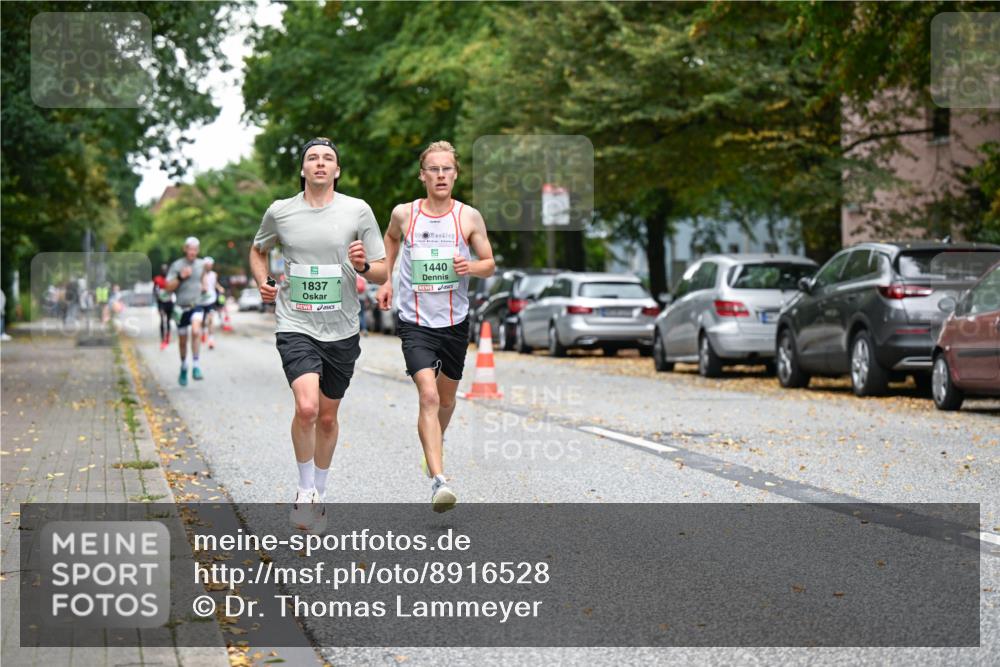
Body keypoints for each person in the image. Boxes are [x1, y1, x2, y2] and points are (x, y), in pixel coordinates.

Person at [249, 137, 387, 531]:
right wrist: (264, 282)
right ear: (303, 169)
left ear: (337, 170)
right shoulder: (281, 212)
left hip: (342, 327)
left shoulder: (357, 211)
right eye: (313, 158)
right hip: (295, 322)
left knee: (327, 418)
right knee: (306, 408)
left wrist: (363, 266)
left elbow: (380, 270)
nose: (321, 164)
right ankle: (304, 490)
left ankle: (321, 492)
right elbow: (258, 250)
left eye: (328, 159)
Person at [376, 140, 496, 513]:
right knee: (427, 395)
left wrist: (470, 267)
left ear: (455, 174)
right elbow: (390, 240)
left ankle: (433, 446)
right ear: (423, 175)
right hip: (414, 321)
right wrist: (387, 278)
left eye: (447, 169)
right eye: (434, 169)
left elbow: (489, 263)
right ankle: (440, 482)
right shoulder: (404, 214)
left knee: (445, 399)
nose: (441, 175)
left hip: (455, 321)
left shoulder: (468, 217)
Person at [165, 237, 207, 386]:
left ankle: (195, 366)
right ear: (185, 249)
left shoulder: (202, 264)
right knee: (182, 341)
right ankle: (184, 366)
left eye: (195, 250)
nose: (193, 252)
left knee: (196, 331)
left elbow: (203, 279)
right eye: (190, 249)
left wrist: (205, 286)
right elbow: (168, 287)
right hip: (181, 307)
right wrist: (180, 277)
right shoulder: (177, 265)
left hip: (197, 304)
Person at [199, 256, 221, 349]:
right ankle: (203, 332)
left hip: (211, 299)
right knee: (203, 321)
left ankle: (211, 339)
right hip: (201, 300)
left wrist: (220, 288)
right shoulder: (200, 274)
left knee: (211, 319)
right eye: (208, 265)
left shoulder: (214, 274)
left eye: (211, 265)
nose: (209, 266)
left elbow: (215, 283)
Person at [153, 264, 175, 350]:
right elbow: (154, 290)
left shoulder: (171, 279)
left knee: (168, 320)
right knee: (162, 319)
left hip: (169, 302)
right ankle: (162, 339)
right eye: (163, 270)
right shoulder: (157, 279)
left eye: (166, 270)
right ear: (161, 271)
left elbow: (175, 289)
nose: (164, 271)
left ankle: (168, 336)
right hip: (161, 303)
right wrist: (158, 295)